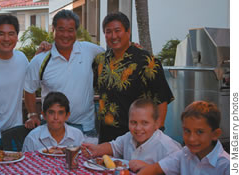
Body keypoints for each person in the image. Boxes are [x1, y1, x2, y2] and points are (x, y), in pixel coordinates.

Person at [93, 12, 174, 143]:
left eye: (117, 31)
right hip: (106, 136)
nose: (113, 36)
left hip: (137, 136)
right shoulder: (100, 61)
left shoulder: (146, 61)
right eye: (108, 32)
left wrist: (157, 133)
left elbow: (162, 99)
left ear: (128, 31)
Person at [24, 9, 104, 136]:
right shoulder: (40, 59)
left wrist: (131, 47)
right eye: (61, 30)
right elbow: (29, 89)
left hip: (85, 127)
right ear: (53, 29)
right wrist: (33, 114)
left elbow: (113, 55)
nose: (66, 35)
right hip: (51, 127)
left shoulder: (89, 50)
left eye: (70, 30)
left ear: (76, 31)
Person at [81, 99, 181, 170]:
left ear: (156, 124)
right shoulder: (129, 137)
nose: (138, 128)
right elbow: (113, 146)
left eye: (145, 123)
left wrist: (150, 169)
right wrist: (97, 149)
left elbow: (179, 170)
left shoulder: (167, 147)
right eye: (133, 122)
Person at [137, 101, 230, 175]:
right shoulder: (184, 154)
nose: (191, 139)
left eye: (200, 132)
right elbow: (155, 169)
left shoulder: (226, 165)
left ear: (215, 134)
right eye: (187, 131)